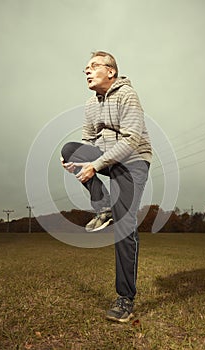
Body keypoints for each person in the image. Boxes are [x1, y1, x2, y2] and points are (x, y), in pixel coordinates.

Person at [61, 51, 152, 323]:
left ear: (111, 71)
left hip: (133, 161)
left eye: (93, 66)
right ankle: (103, 208)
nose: (87, 71)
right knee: (70, 150)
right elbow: (88, 139)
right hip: (107, 159)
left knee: (125, 227)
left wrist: (96, 165)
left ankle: (125, 298)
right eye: (85, 68)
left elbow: (133, 139)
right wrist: (77, 162)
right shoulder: (91, 104)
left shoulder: (127, 95)